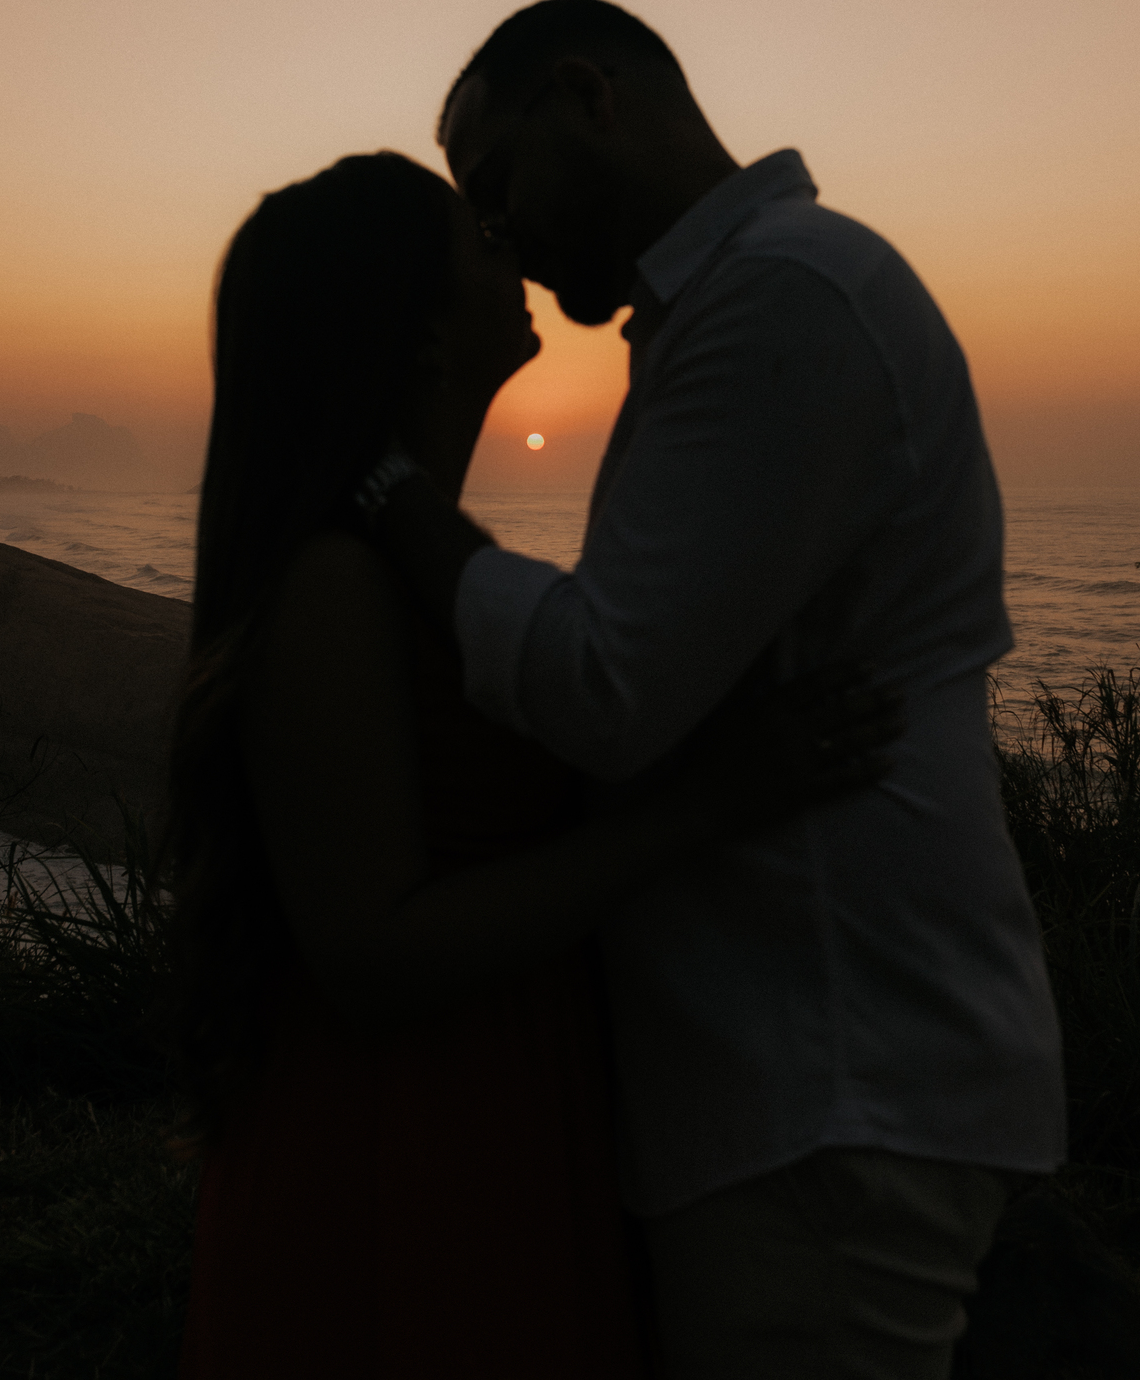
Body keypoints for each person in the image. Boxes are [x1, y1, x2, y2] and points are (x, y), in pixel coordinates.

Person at [358, 0, 1067, 1380]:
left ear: (589, 95)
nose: (494, 234)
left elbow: (603, 685)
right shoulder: (745, 305)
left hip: (832, 1090)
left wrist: (386, 494)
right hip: (808, 1093)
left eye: (497, 182)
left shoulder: (786, 295)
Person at [158, 152, 901, 1379]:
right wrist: (706, 804)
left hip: (495, 1108)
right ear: (420, 334)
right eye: (479, 240)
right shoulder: (336, 586)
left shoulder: (424, 568)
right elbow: (371, 952)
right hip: (396, 1146)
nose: (508, 242)